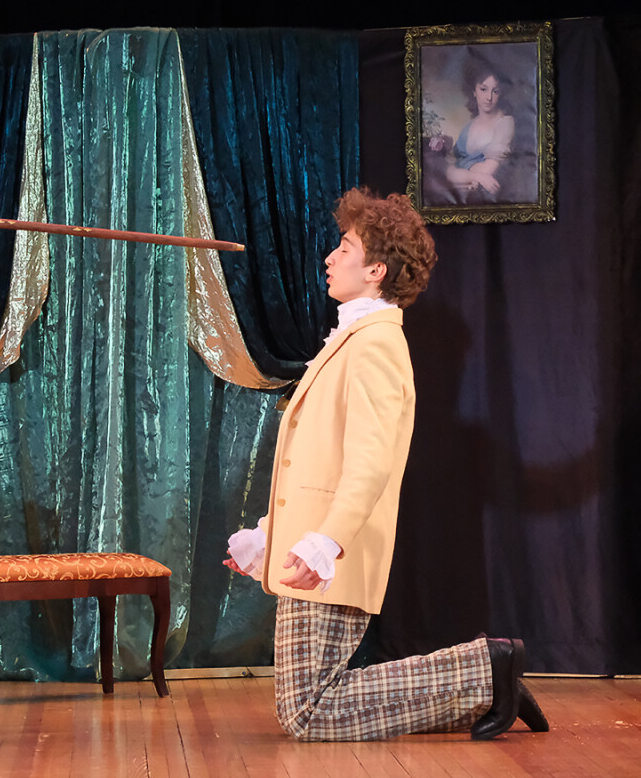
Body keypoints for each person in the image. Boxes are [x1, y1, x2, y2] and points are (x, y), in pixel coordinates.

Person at [225, 188, 547, 741]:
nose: (330, 257)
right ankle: (486, 682)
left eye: (344, 248)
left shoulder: (374, 344)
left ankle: (484, 670)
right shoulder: (353, 338)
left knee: (307, 712)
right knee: (307, 709)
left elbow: (370, 462)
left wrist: (326, 542)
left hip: (328, 551)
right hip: (309, 543)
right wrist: (268, 535)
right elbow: (319, 461)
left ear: (376, 270)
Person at [433, 63, 516, 199]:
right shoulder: (468, 127)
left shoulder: (505, 123)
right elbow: (449, 171)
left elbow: (489, 168)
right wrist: (475, 176)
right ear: (474, 92)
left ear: (500, 94)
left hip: (488, 196)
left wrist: (464, 174)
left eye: (495, 91)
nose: (489, 97)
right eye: (483, 89)